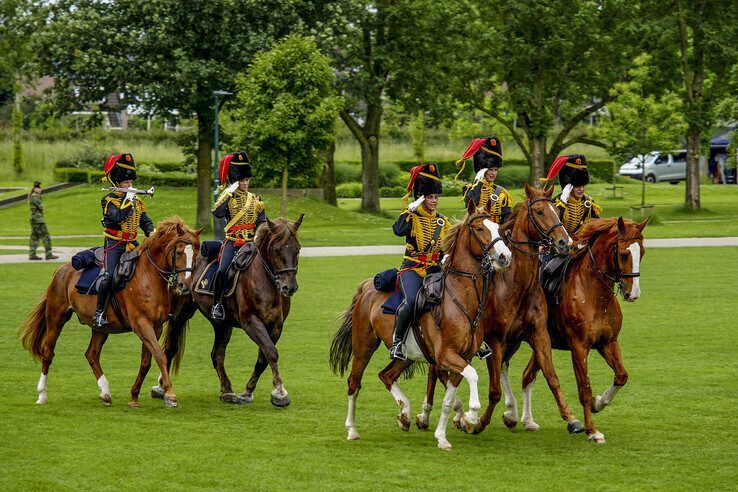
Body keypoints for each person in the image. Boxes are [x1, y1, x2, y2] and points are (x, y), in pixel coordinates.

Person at [389, 163, 448, 360]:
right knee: (413, 300)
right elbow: (397, 230)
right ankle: (398, 342)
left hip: (435, 269)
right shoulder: (412, 217)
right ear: (421, 198)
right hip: (412, 269)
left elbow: (447, 246)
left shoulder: (443, 221)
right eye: (430, 197)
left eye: (436, 197)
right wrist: (409, 210)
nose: (434, 201)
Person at [93, 154, 155, 328]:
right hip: (114, 245)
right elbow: (117, 217)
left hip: (132, 244)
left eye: (130, 183)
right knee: (109, 275)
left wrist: (152, 231)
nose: (130, 186)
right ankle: (99, 313)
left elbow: (145, 221)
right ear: (117, 183)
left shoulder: (136, 201)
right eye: (126, 183)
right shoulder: (109, 200)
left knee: (151, 268)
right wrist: (127, 201)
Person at [211, 152, 266, 320]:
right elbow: (218, 213)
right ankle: (217, 304)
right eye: (241, 181)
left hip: (251, 243)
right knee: (222, 270)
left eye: (247, 180)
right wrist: (228, 192)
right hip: (233, 242)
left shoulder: (255, 199)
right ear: (235, 181)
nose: (245, 184)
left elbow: (261, 222)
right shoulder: (228, 198)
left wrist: (257, 238)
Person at [543, 154, 602, 237]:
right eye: (577, 186)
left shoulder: (588, 202)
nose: (581, 189)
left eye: (583, 186)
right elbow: (550, 224)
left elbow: (597, 225)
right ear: (569, 187)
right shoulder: (556, 202)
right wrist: (563, 203)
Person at [459, 136, 513, 223]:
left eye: (496, 170)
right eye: (490, 169)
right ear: (482, 170)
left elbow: (507, 216)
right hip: (477, 232)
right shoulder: (470, 188)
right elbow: (471, 204)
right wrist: (479, 182)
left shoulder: (502, 192)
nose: (493, 173)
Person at [28, 181, 58, 261]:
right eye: (40, 188)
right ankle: (48, 254)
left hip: (34, 219)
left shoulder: (32, 196)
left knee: (34, 237)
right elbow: (41, 207)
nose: (41, 189)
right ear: (36, 188)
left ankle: (32, 254)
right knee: (46, 236)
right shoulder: (36, 197)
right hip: (38, 220)